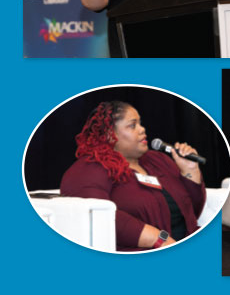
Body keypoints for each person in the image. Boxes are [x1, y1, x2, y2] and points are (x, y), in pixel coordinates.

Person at [61, 101, 206, 252]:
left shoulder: (158, 160)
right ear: (110, 134)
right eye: (132, 125)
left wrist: (190, 170)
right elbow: (98, 215)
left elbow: (192, 212)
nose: (142, 129)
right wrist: (158, 239)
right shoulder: (90, 168)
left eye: (140, 123)